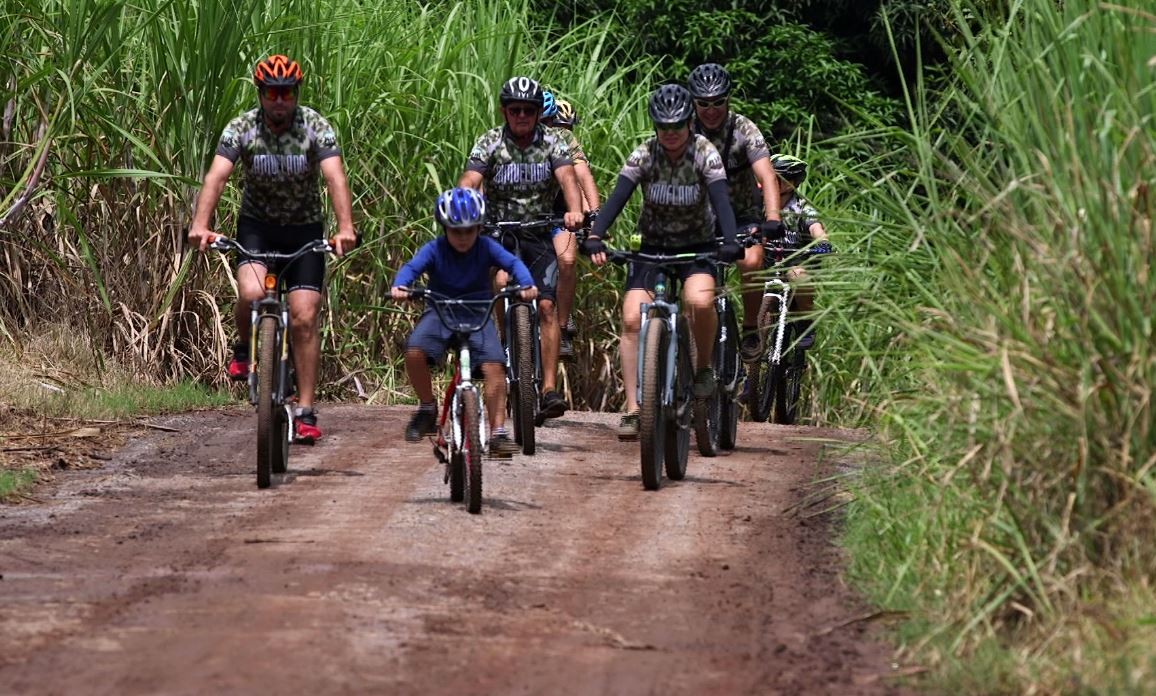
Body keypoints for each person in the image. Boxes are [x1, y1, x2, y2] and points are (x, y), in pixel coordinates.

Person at [188, 55, 357, 443]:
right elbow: (217, 177)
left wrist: (345, 229)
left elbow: (335, 177)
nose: (280, 100)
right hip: (257, 230)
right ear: (260, 94)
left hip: (304, 232)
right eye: (272, 93)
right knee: (251, 293)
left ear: (296, 94)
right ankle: (245, 347)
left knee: (303, 317)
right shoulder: (242, 128)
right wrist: (201, 225)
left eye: (287, 93)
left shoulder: (315, 126)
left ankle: (307, 410)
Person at [583, 85, 743, 440]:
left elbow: (721, 200)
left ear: (689, 124)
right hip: (652, 248)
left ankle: (702, 369)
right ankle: (634, 409)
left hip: (697, 248)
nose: (670, 134)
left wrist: (730, 240)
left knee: (700, 301)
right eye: (663, 127)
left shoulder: (705, 153)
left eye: (677, 126)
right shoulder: (644, 154)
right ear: (655, 126)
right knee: (630, 318)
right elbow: (617, 198)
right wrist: (596, 235)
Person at [459, 77, 585, 420]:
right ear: (504, 111)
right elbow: (471, 179)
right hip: (499, 230)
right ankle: (503, 339)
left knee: (546, 304)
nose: (522, 116)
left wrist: (574, 210)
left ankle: (547, 388)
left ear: (535, 112)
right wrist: (465, 206)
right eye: (514, 110)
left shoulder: (553, 141)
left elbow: (567, 180)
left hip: (539, 230)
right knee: (500, 283)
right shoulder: (490, 141)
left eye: (528, 110)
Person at [391, 188, 538, 457]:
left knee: (495, 367)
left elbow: (514, 263)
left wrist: (527, 284)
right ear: (444, 227)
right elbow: (412, 268)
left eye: (469, 231)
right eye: (455, 231)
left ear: (479, 228)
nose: (462, 237)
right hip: (440, 312)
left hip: (478, 313)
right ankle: (426, 407)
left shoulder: (486, 247)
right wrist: (401, 286)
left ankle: (497, 433)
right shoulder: (434, 249)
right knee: (414, 351)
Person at [686, 63, 784, 363]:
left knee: (752, 260)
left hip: (743, 215)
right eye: (703, 103)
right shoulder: (683, 129)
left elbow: (767, 176)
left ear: (728, 100)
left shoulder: (744, 130)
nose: (711, 110)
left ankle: (751, 326)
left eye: (718, 102)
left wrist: (773, 218)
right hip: (699, 217)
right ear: (693, 103)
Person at [541, 94, 601, 359]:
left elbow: (582, 175)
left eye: (545, 121)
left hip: (556, 212)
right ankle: (504, 335)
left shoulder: (562, 139)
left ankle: (563, 329)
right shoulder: (508, 140)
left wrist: (594, 216)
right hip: (521, 213)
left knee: (567, 260)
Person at [768, 153, 831, 349]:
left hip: (795, 263)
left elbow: (816, 229)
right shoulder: (759, 203)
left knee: (798, 275)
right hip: (768, 263)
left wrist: (822, 243)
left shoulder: (802, 208)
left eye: (774, 178)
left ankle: (805, 322)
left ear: (789, 183)